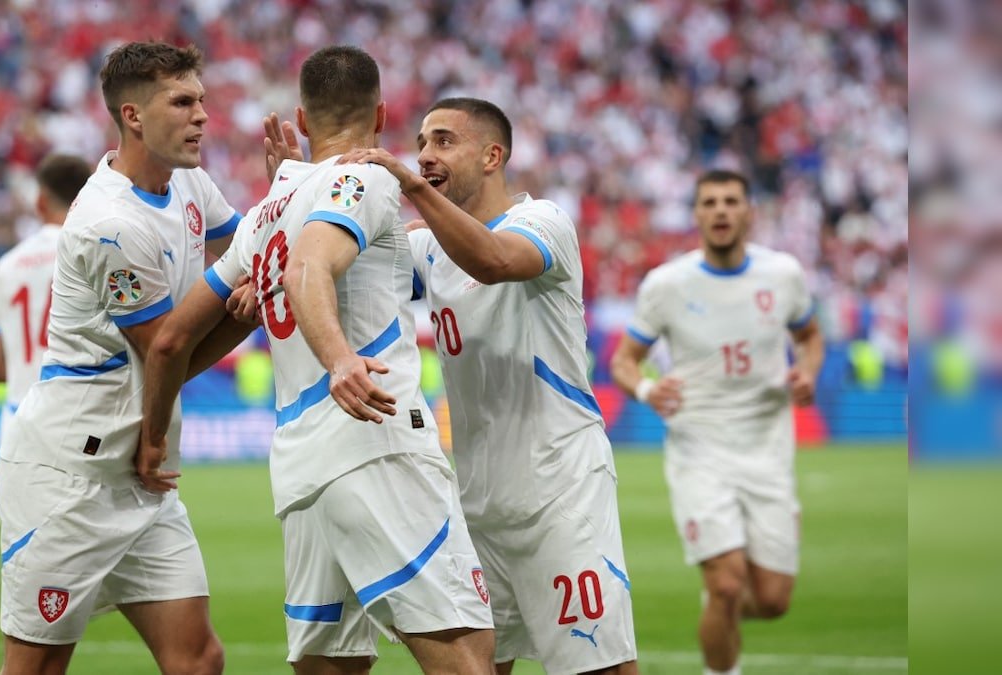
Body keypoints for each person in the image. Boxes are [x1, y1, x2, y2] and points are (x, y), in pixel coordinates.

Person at [140, 46, 495, 674]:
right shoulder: (371, 177)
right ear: (383, 115)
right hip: (374, 442)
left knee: (329, 665)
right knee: (464, 649)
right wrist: (340, 360)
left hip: (301, 470)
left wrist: (153, 436)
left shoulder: (262, 216)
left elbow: (170, 342)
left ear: (302, 122)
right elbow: (309, 266)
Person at [338, 98, 639, 675]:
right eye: (421, 142)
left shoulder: (542, 221)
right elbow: (343, 256)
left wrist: (410, 187)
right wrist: (280, 235)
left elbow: (494, 260)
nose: (425, 155)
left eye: (444, 141)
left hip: (559, 493)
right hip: (475, 502)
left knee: (598, 667)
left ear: (493, 155)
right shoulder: (427, 247)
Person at [0, 40, 246, 675]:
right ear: (133, 116)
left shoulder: (190, 180)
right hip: (71, 478)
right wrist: (245, 307)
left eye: (202, 101)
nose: (202, 117)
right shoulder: (110, 222)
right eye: (182, 102)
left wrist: (283, 205)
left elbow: (247, 250)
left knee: (198, 659)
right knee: (38, 667)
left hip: (140, 482)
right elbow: (167, 347)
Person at [609, 169, 824, 675]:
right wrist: (646, 388)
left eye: (731, 201)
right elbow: (624, 360)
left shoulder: (783, 274)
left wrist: (808, 372)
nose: (721, 210)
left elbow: (810, 337)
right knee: (727, 582)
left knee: (772, 599)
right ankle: (722, 653)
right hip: (698, 447)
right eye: (710, 202)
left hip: (768, 447)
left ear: (750, 211)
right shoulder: (667, 284)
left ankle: (719, 608)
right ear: (697, 215)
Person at [0, 153, 92, 452]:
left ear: (40, 201)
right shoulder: (97, 254)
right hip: (83, 420)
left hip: (20, 421)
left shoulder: (5, 267)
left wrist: (24, 368)